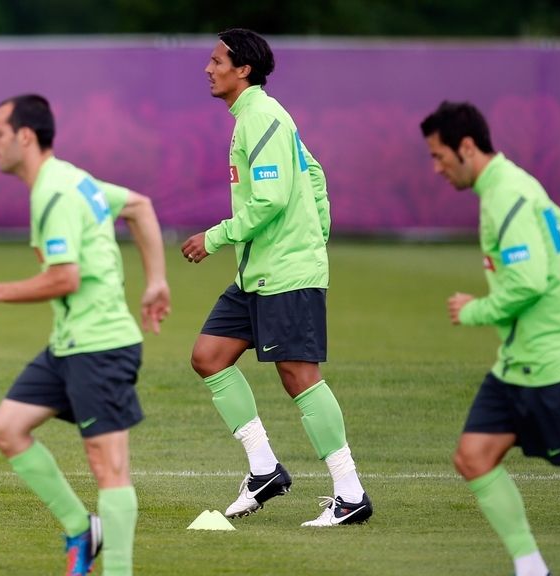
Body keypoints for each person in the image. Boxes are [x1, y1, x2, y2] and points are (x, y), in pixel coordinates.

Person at [0, 94, 170, 576]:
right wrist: (155, 280)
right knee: (7, 428)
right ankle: (80, 528)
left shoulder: (55, 192)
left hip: (102, 345)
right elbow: (139, 206)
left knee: (108, 466)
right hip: (71, 343)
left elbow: (65, 277)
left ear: (24, 136)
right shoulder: (71, 179)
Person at [421, 100, 560, 575]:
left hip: (553, 364)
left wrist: (477, 309)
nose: (436, 168)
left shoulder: (505, 195)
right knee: (473, 456)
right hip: (517, 363)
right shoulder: (514, 183)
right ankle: (531, 568)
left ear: (466, 147)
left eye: (439, 156)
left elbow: (528, 281)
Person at [180, 28, 372, 527]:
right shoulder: (258, 116)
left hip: (283, 272)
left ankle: (350, 493)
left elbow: (272, 198)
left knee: (298, 375)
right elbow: (314, 174)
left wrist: (216, 236)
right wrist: (316, 231)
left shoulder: (261, 115)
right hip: (259, 273)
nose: (208, 67)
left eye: (217, 59)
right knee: (209, 357)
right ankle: (264, 469)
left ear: (242, 69)